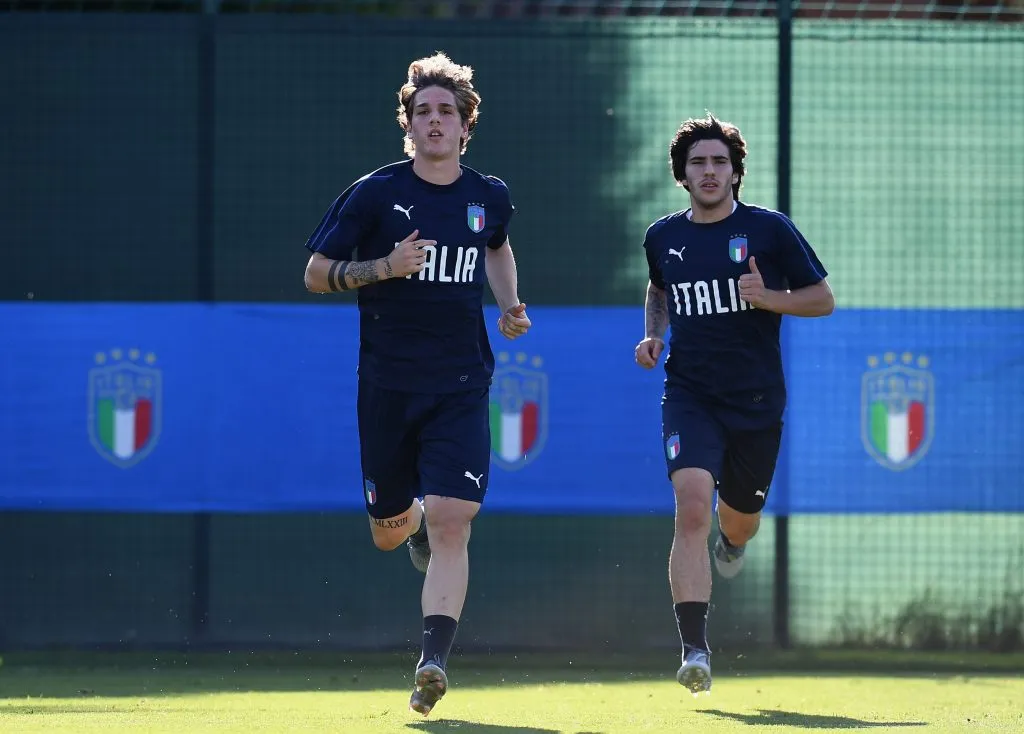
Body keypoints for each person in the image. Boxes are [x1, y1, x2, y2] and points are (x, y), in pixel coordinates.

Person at [302, 52, 531, 717]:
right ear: (408, 126)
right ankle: (417, 524)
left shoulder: (488, 196)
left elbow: (497, 245)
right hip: (387, 385)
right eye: (423, 112)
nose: (435, 122)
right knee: (389, 532)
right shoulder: (375, 193)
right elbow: (316, 272)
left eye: (447, 113)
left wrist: (510, 304)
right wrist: (384, 265)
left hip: (461, 381)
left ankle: (433, 659)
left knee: (458, 522)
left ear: (466, 127)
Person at [634, 114, 833, 695]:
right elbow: (659, 286)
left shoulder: (769, 230)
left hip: (755, 401)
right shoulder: (661, 236)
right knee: (691, 506)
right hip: (689, 394)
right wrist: (654, 334)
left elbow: (822, 299)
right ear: (683, 173)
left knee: (736, 518)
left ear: (736, 170)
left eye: (720, 161)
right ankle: (694, 649)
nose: (709, 171)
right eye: (698, 161)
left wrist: (768, 297)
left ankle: (736, 538)